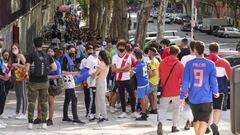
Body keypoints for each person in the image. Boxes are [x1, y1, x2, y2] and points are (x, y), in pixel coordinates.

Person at [180, 41, 219, 135]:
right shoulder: (210, 64)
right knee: (204, 121)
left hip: (193, 98)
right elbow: (213, 80)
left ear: (194, 50)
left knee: (196, 119)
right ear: (203, 50)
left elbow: (185, 81)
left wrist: (182, 96)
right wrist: (216, 91)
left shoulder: (189, 64)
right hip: (206, 97)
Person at [26, 37, 57, 129]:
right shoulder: (47, 55)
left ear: (34, 44)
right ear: (42, 44)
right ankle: (44, 122)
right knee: (44, 102)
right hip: (44, 82)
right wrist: (47, 71)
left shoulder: (31, 55)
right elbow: (54, 68)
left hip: (33, 82)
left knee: (32, 102)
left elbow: (27, 69)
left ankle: (30, 122)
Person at [157, 45, 184, 134]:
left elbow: (159, 75)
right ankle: (174, 126)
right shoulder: (180, 64)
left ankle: (160, 123)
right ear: (178, 53)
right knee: (176, 108)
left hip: (165, 89)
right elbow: (182, 78)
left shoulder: (162, 62)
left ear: (169, 52)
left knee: (162, 108)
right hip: (176, 90)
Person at [33, 47, 63, 126]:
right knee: (40, 101)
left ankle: (50, 119)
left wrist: (48, 77)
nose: (49, 52)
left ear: (54, 53)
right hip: (42, 83)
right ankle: (39, 118)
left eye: (51, 51)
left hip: (51, 84)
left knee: (50, 102)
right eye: (48, 51)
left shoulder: (56, 62)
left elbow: (58, 75)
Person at [207, 42, 231, 135]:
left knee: (208, 109)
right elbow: (229, 77)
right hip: (220, 90)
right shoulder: (224, 63)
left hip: (206, 91)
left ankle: (207, 126)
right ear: (218, 50)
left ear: (209, 50)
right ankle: (215, 124)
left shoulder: (204, 61)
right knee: (217, 109)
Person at [111, 40, 138, 118]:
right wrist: (123, 68)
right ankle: (123, 111)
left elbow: (128, 68)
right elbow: (113, 70)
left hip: (127, 78)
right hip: (119, 79)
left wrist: (118, 69)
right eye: (120, 49)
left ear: (125, 49)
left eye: (123, 49)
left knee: (132, 95)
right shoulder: (114, 57)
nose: (121, 51)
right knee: (121, 95)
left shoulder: (128, 56)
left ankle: (133, 111)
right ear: (117, 49)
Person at [60, 45, 85, 124]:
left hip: (69, 79)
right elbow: (63, 71)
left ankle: (65, 117)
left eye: (74, 51)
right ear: (67, 50)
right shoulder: (65, 58)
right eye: (71, 51)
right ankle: (75, 118)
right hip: (67, 80)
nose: (73, 53)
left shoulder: (69, 58)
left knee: (68, 98)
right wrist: (74, 73)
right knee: (74, 99)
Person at [9, 43, 27, 120]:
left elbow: (26, 65)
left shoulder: (21, 56)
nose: (14, 50)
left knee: (23, 94)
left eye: (15, 48)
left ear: (19, 49)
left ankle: (24, 113)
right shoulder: (13, 57)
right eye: (13, 48)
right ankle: (17, 112)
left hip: (22, 77)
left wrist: (17, 64)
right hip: (15, 77)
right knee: (17, 95)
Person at [180, 41, 196, 130]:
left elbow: (182, 72)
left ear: (190, 48)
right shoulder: (201, 59)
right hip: (198, 85)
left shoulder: (184, 58)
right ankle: (192, 119)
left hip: (187, 84)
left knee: (187, 105)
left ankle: (188, 120)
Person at [91, 51, 110, 122]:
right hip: (101, 81)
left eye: (99, 56)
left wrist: (89, 74)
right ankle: (97, 115)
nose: (98, 57)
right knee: (97, 99)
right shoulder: (105, 63)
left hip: (101, 82)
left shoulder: (102, 64)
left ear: (101, 56)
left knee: (101, 100)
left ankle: (105, 116)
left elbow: (95, 74)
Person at [85, 44, 101, 121]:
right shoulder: (89, 58)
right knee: (92, 97)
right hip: (91, 80)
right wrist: (91, 77)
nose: (98, 51)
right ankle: (90, 113)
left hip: (98, 79)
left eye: (99, 50)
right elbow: (86, 70)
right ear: (94, 50)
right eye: (97, 50)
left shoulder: (98, 58)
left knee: (96, 96)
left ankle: (96, 112)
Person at [132, 49, 149, 121]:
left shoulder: (138, 65)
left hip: (141, 83)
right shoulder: (144, 62)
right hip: (146, 81)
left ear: (136, 56)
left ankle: (144, 113)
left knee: (141, 99)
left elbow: (131, 74)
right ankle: (146, 111)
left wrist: (131, 69)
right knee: (145, 97)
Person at [0, 48, 12, 128]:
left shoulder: (4, 62)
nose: (6, 56)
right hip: (2, 80)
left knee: (3, 98)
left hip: (4, 81)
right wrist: (3, 77)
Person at [147, 47, 159, 114]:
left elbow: (154, 73)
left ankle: (148, 109)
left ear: (151, 53)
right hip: (155, 80)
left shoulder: (152, 61)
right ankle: (154, 108)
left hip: (151, 81)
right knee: (152, 95)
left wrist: (148, 77)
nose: (147, 53)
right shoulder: (155, 60)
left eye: (148, 52)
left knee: (147, 95)